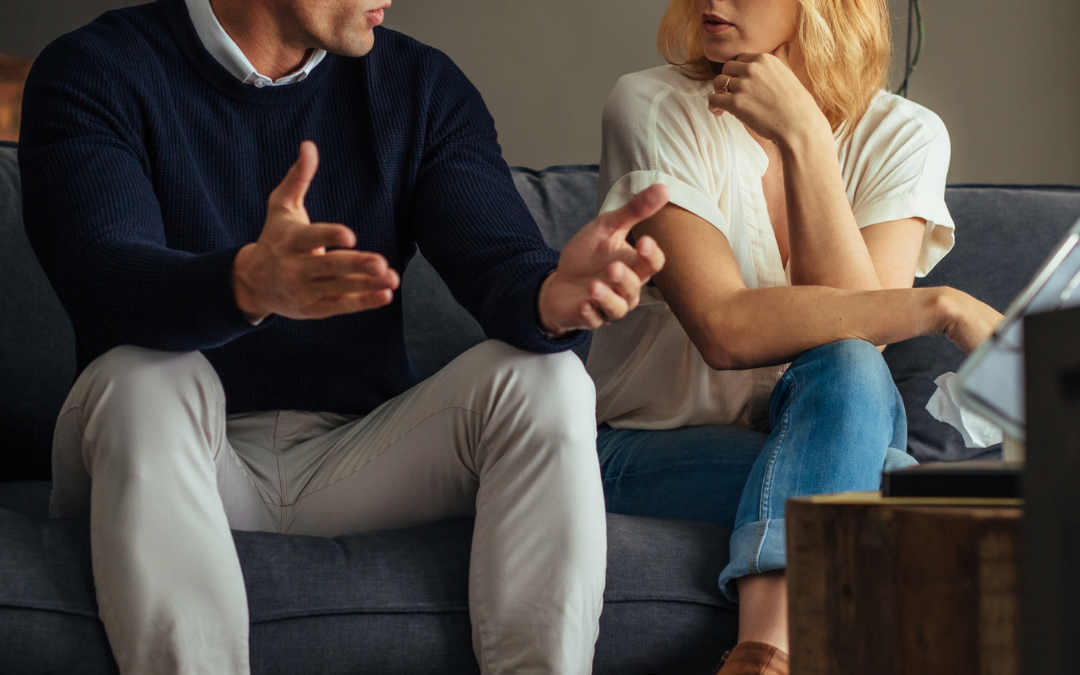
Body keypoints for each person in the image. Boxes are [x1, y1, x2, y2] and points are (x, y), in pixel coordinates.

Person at [18, 0, 671, 673]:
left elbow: (498, 258)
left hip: (358, 457)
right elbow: (103, 275)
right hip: (169, 450)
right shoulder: (95, 70)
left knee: (549, 376)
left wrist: (550, 297)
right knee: (145, 375)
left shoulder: (418, 85)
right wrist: (246, 285)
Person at [587, 0, 1004, 672]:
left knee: (847, 364)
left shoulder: (905, 135)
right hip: (640, 448)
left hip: (823, 434)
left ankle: (762, 656)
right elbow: (723, 327)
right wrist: (940, 305)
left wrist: (805, 137)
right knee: (910, 501)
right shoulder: (650, 106)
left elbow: (856, 346)